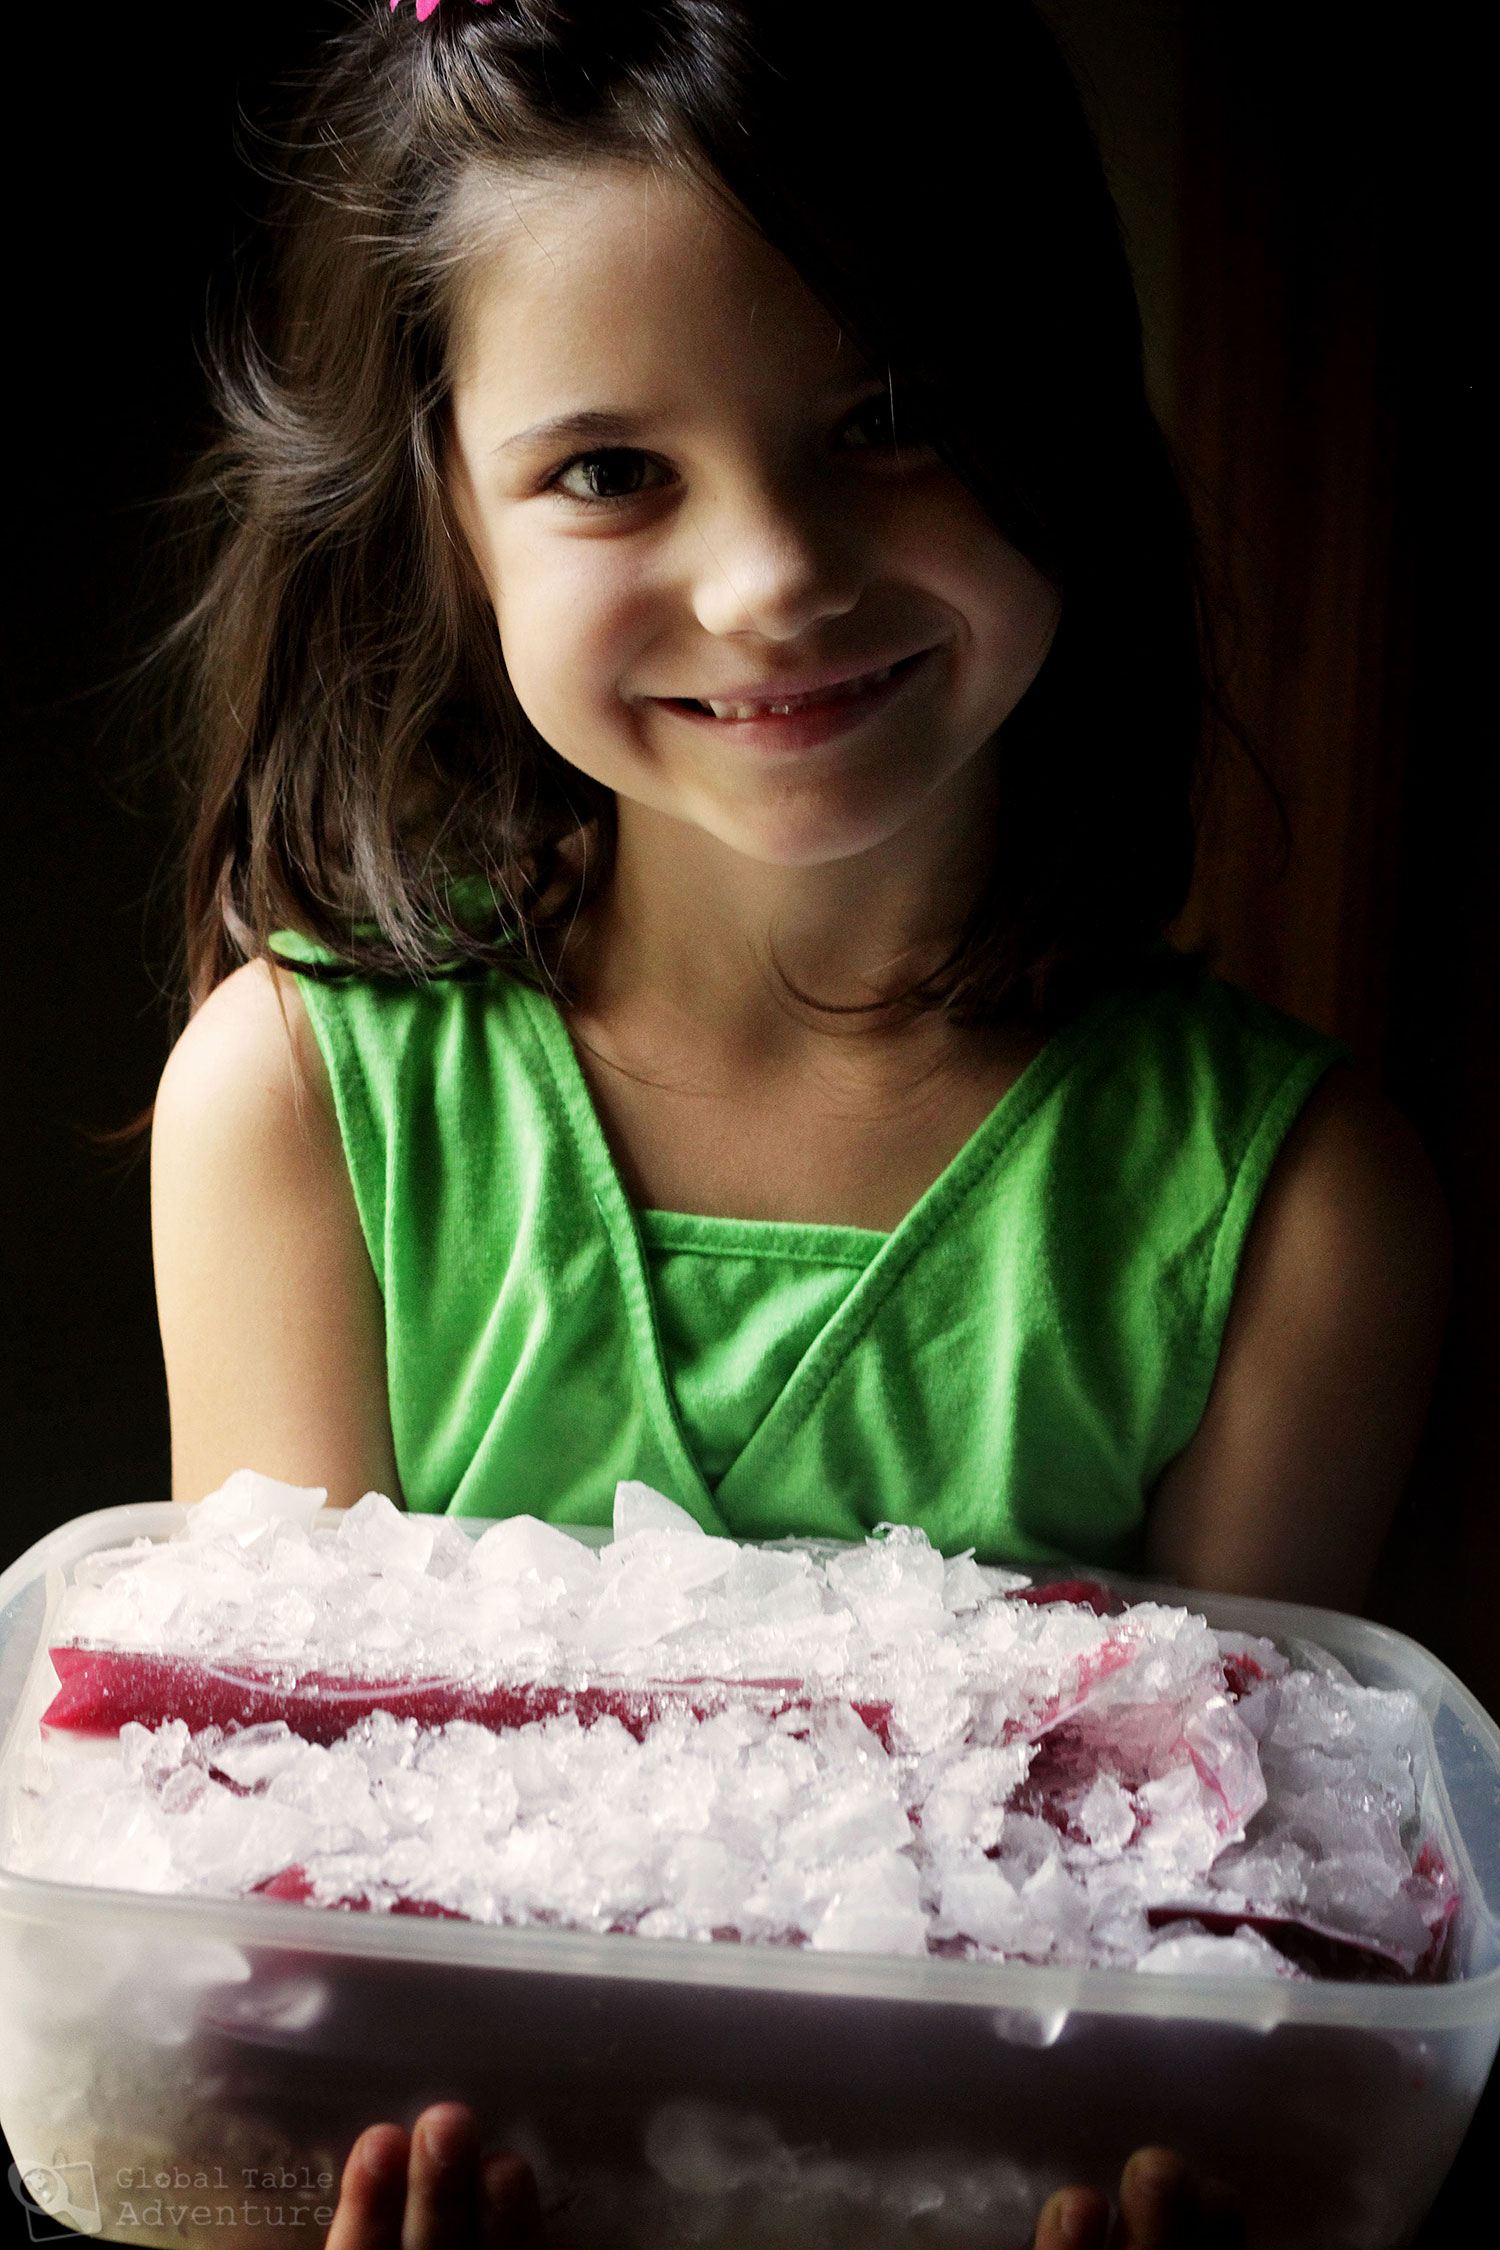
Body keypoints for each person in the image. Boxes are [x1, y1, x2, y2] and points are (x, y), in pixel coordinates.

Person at [147, 2, 1448, 2243]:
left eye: (896, 418)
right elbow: (256, 1948)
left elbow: (1221, 1969)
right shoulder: (297, 1112)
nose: (773, 576)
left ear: (1070, 409)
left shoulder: (1300, 1217)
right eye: (611, 468)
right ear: (444, 509)